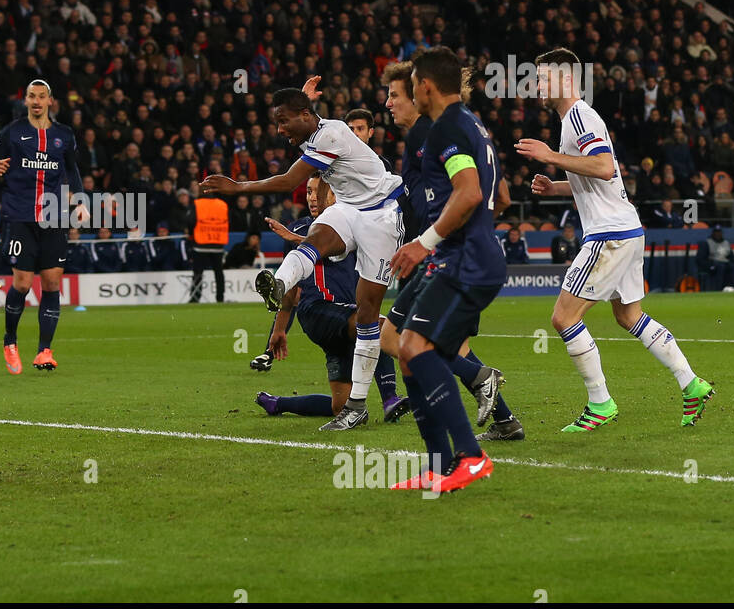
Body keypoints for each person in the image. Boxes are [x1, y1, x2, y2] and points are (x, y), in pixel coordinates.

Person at [521, 47, 714, 430]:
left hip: (609, 234)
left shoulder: (579, 115)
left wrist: (551, 157)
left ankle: (600, 403)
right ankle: (691, 383)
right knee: (628, 315)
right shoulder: (572, 120)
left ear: (565, 79)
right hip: (625, 229)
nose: (537, 84)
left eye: (543, 77)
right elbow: (593, 178)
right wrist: (557, 187)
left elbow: (606, 167)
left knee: (563, 317)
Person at [201, 75, 405, 421]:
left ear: (305, 115)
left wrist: (238, 188)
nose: (279, 129)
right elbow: (306, 131)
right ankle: (279, 285)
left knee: (370, 319)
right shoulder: (318, 131)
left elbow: (287, 181)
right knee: (314, 239)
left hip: (384, 215)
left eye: (283, 120)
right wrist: (303, 102)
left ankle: (375, 399)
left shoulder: (330, 134)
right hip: (352, 211)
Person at [375, 60, 516, 438]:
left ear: (423, 90)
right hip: (453, 253)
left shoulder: (432, 132)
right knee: (423, 343)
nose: (388, 104)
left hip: (449, 256)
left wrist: (433, 238)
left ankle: (460, 450)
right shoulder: (471, 124)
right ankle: (496, 422)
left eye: (395, 95)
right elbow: (500, 195)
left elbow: (470, 191)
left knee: (404, 341)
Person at [254, 173, 404, 425]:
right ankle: (391, 399)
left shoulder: (353, 226)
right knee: (375, 326)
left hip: (347, 318)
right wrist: (279, 329)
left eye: (320, 192)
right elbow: (291, 288)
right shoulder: (301, 228)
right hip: (318, 312)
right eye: (309, 193)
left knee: (340, 405)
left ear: (338, 195)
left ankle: (278, 403)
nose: (313, 198)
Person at [0, 79, 81, 372]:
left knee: (51, 283)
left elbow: (72, 170)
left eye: (42, 96)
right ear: (25, 101)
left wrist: (81, 199)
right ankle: (10, 340)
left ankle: (44, 351)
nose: (37, 101)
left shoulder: (64, 135)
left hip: (54, 217)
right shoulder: (13, 132)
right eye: (31, 96)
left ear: (50, 101)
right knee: (22, 283)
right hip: (21, 217)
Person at [187, 194, 227, 301]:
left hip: (201, 243)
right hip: (218, 243)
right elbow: (228, 221)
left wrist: (192, 234)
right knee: (219, 273)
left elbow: (190, 221)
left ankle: (195, 297)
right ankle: (220, 298)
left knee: (198, 273)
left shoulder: (197, 204)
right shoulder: (222, 204)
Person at [698, 224, 734, 292]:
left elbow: (731, 257)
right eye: (716, 232)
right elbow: (700, 259)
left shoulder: (726, 242)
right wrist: (710, 266)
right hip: (713, 263)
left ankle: (732, 288)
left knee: (732, 267)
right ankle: (718, 290)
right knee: (720, 267)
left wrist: (732, 263)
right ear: (713, 233)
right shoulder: (707, 243)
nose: (718, 234)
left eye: (719, 232)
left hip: (725, 263)